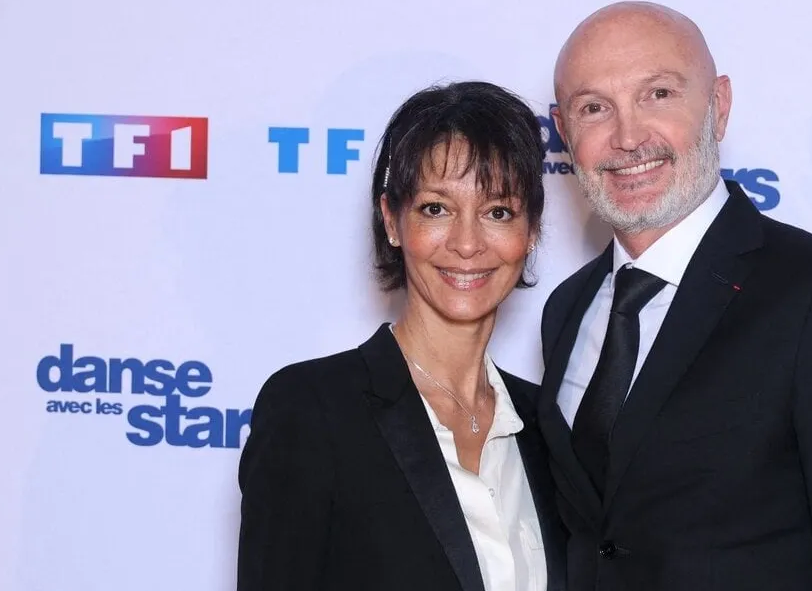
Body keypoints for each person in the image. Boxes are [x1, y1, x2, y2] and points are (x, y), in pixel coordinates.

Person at [537, 1, 812, 590]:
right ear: (564, 129)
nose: (627, 137)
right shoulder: (567, 309)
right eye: (594, 107)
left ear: (718, 107)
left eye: (658, 94)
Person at [237, 81, 566, 591]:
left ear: (532, 233)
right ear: (392, 220)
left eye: (498, 211)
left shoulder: (548, 431)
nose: (467, 243)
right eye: (436, 208)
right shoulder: (312, 411)